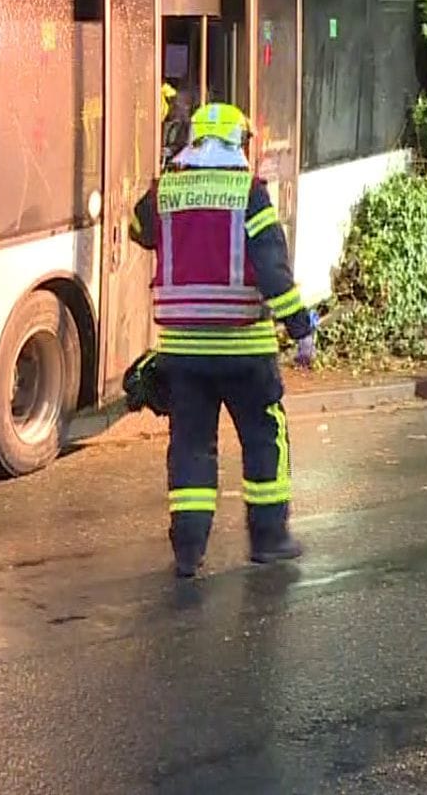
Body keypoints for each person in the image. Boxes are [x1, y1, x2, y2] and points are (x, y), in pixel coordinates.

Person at [128, 102, 317, 578]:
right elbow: (273, 271)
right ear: (240, 144)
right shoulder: (248, 193)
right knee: (264, 439)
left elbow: (137, 230)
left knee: (191, 447)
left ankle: (188, 553)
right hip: (244, 351)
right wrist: (301, 329)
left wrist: (170, 169)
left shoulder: (165, 191)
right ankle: (269, 540)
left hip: (184, 354)